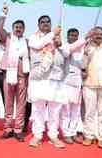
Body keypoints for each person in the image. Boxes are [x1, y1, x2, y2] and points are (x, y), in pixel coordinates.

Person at [28, 15, 67, 148]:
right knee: (38, 108)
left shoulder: (56, 37)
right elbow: (39, 45)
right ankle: (37, 135)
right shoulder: (34, 37)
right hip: (39, 77)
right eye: (42, 22)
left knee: (54, 109)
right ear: (38, 25)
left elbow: (66, 53)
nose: (45, 24)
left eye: (48, 22)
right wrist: (53, 34)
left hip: (55, 77)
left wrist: (60, 44)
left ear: (51, 24)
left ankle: (53, 135)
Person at [0, 4, 30, 142]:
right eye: (16, 27)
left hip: (22, 76)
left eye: (20, 27)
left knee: (21, 104)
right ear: (12, 28)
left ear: (23, 30)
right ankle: (7, 128)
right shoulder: (8, 38)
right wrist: (3, 14)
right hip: (8, 75)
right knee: (8, 103)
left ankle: (18, 129)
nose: (18, 29)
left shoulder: (27, 42)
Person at [60, 28, 93, 144]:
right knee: (66, 111)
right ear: (67, 36)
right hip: (66, 83)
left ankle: (73, 132)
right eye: (71, 35)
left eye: (76, 36)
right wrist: (85, 38)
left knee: (76, 111)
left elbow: (84, 65)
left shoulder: (82, 49)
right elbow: (68, 51)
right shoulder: (64, 47)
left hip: (78, 84)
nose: (74, 37)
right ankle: (66, 133)